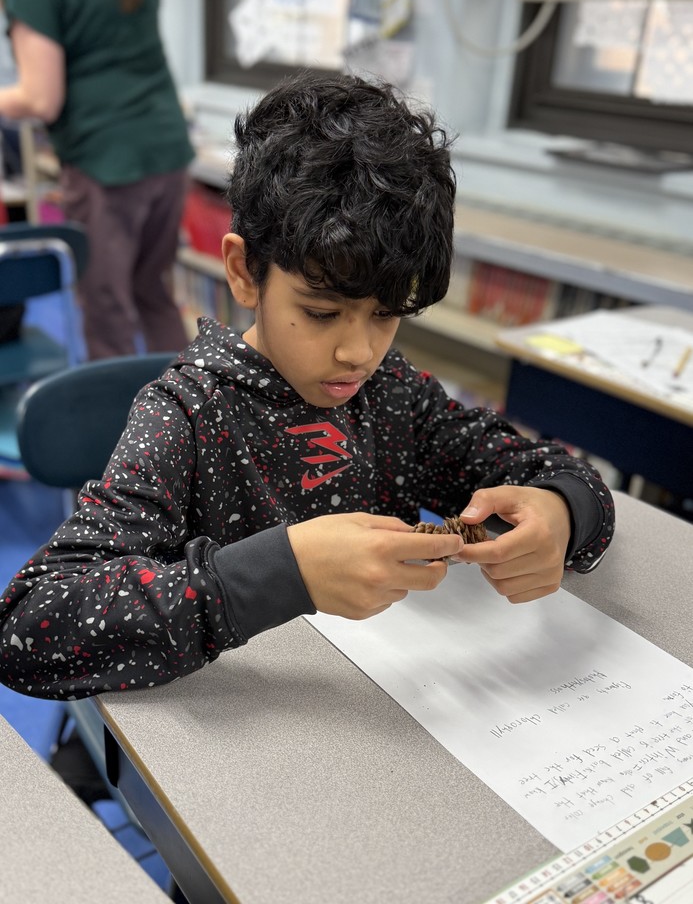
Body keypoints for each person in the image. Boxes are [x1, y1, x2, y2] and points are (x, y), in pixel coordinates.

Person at [0, 72, 615, 700]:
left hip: (391, 709)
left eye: (386, 313)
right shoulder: (185, 416)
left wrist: (563, 512)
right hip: (245, 733)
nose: (358, 352)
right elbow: (27, 626)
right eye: (321, 312)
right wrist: (282, 575)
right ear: (244, 272)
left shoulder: (393, 395)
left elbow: (561, 473)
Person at [0, 0, 193, 359]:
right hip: (167, 151)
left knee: (107, 311)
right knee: (154, 294)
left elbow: (41, 99)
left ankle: (129, 433)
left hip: (108, 165)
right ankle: (197, 422)